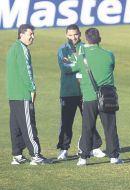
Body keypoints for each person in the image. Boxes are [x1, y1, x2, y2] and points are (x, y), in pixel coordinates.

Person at [62, 27, 123, 166]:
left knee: (87, 127)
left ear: (86, 40)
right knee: (110, 127)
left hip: (89, 97)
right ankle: (114, 157)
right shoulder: (109, 54)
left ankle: (83, 158)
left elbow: (69, 69)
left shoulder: (81, 56)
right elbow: (111, 67)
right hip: (107, 96)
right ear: (99, 39)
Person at [56, 24, 105, 160]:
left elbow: (91, 65)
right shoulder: (62, 50)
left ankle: (95, 147)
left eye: (76, 34)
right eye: (70, 35)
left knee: (90, 120)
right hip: (68, 91)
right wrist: (81, 66)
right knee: (66, 122)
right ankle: (64, 149)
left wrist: (76, 65)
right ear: (66, 35)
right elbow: (65, 68)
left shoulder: (86, 47)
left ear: (80, 34)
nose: (73, 37)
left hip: (85, 91)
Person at [6, 24, 50, 165]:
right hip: (22, 93)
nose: (33, 36)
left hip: (13, 94)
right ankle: (36, 155)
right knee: (28, 124)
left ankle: (17, 155)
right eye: (30, 34)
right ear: (21, 34)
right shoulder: (22, 49)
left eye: (33, 34)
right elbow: (26, 71)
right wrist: (32, 89)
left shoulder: (13, 48)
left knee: (16, 125)